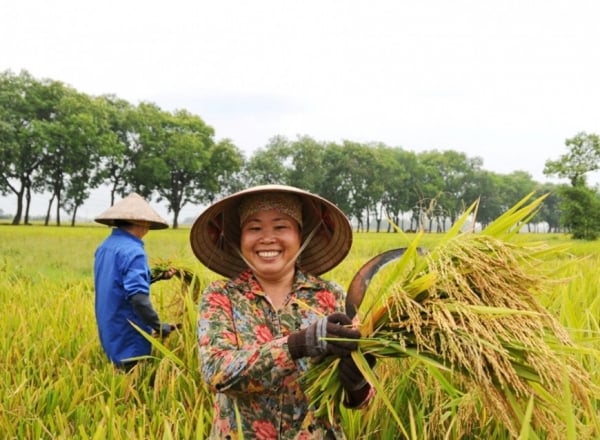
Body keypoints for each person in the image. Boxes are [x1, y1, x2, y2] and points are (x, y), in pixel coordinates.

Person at [190, 184, 374, 439]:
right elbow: (216, 373)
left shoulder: (332, 296)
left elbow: (362, 401)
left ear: (301, 236)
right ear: (240, 239)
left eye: (281, 227)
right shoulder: (221, 296)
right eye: (254, 228)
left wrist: (357, 383)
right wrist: (298, 344)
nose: (267, 238)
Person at [94, 192, 176, 371]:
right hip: (129, 332)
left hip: (109, 327)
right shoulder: (133, 251)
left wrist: (158, 275)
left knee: (118, 381)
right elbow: (138, 298)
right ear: (143, 223)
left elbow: (119, 282)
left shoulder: (105, 247)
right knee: (133, 385)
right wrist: (158, 326)